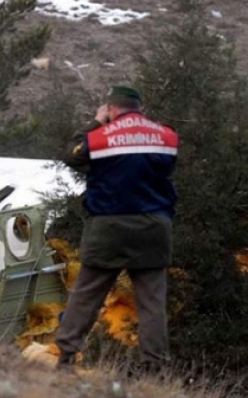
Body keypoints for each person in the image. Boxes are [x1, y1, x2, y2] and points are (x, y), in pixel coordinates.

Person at [55, 85, 179, 375]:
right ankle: (155, 367)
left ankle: (66, 357)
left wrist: (97, 123)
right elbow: (165, 171)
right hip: (153, 226)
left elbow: (72, 156)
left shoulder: (99, 137)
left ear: (111, 109)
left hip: (108, 225)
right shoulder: (167, 135)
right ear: (141, 108)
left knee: (87, 294)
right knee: (152, 302)